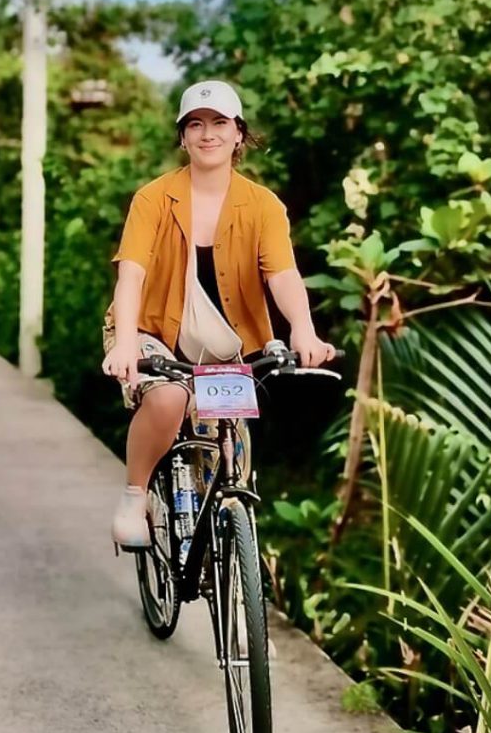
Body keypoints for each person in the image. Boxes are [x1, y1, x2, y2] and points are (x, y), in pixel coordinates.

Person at [101, 81, 335, 549]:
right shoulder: (153, 198)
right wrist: (126, 343)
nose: (208, 134)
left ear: (239, 134)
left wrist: (304, 330)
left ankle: (229, 542)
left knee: (231, 451)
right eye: (196, 124)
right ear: (183, 137)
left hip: (228, 346)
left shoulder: (263, 205)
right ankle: (135, 494)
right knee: (167, 400)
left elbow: (283, 276)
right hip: (151, 330)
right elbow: (131, 275)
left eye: (219, 123)